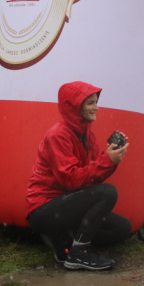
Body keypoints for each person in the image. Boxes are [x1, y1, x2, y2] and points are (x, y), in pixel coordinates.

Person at [26, 82, 132, 270]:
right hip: (44, 209)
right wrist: (107, 161)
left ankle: (65, 240)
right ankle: (78, 253)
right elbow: (71, 180)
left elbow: (90, 176)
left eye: (96, 102)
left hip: (68, 203)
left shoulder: (87, 134)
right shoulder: (58, 135)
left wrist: (110, 156)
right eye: (90, 103)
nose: (96, 108)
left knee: (122, 227)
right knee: (108, 192)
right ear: (75, 106)